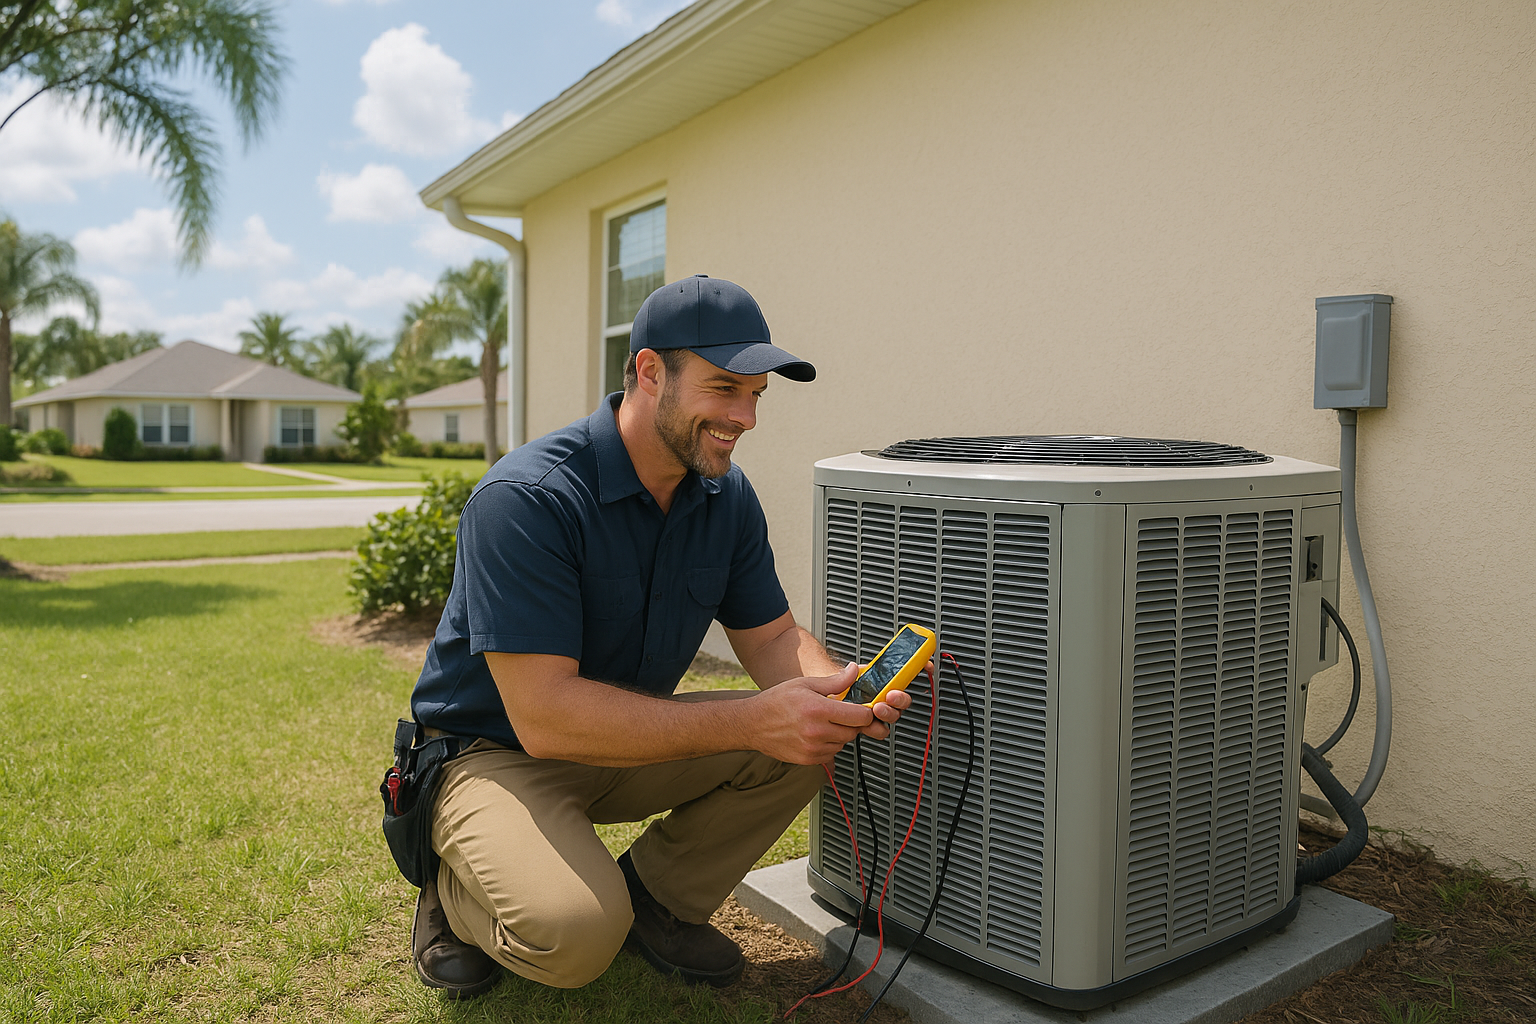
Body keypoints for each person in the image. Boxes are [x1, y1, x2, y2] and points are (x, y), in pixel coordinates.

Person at [405, 274, 912, 997]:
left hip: (624, 737)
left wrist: (839, 693)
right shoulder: (527, 500)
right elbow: (545, 717)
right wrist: (752, 716)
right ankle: (453, 891)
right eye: (724, 389)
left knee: (803, 739)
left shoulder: (723, 496)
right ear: (651, 372)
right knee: (576, 940)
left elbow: (771, 637)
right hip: (493, 755)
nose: (747, 418)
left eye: (756, 395)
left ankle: (657, 902)